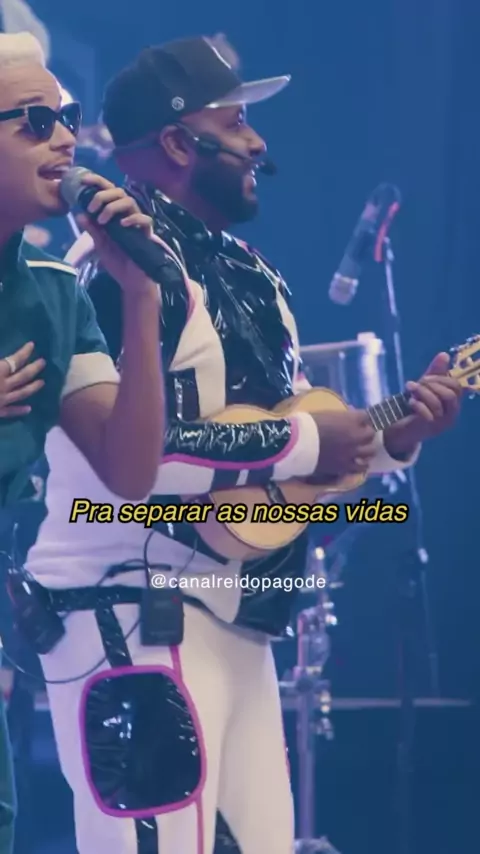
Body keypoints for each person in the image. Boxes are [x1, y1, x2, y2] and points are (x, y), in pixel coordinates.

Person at [25, 34, 463, 854]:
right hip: (130, 606)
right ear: (178, 141)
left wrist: (391, 440)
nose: (259, 143)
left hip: (238, 610)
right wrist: (305, 438)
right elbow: (131, 458)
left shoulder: (257, 278)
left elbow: (273, 478)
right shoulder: (111, 268)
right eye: (237, 123)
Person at [0, 30, 168, 854]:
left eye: (67, 117)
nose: (66, 139)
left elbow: (129, 471)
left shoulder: (56, 294)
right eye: (35, 121)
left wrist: (140, 296)